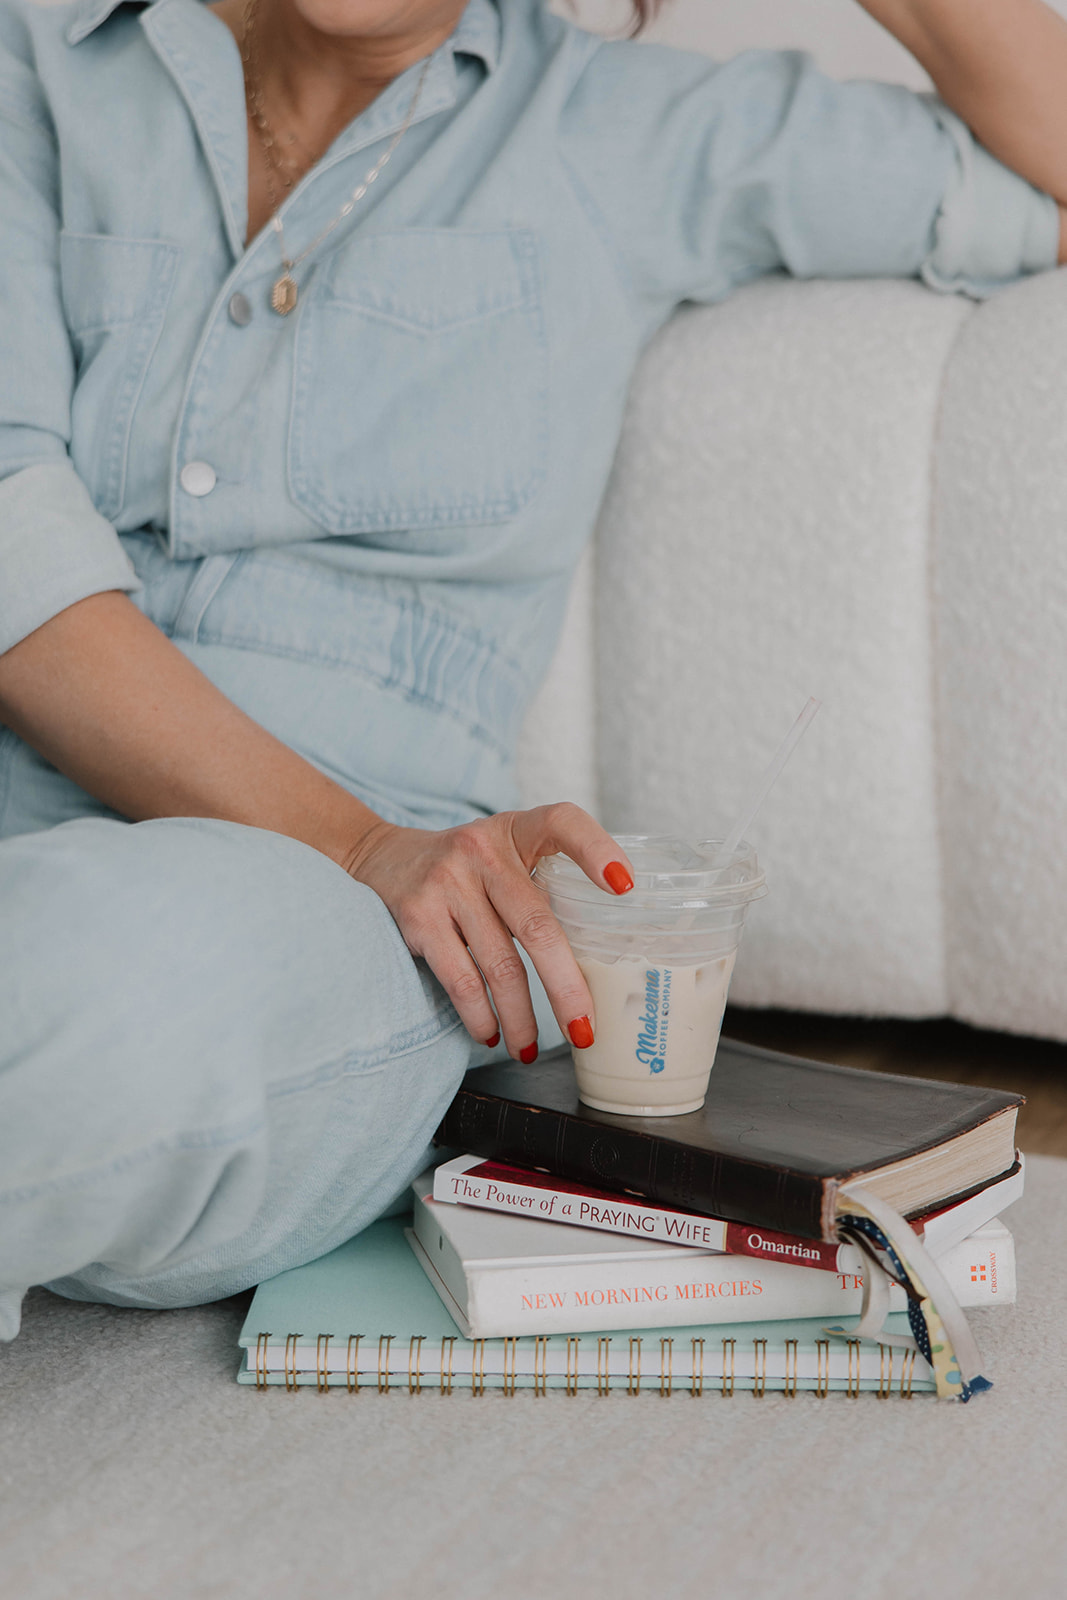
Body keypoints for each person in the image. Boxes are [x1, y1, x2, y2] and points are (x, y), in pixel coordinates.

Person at [0, 0, 1064, 1340]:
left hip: (328, 914)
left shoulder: (633, 132)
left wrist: (369, 849)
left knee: (99, 984)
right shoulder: (37, 55)